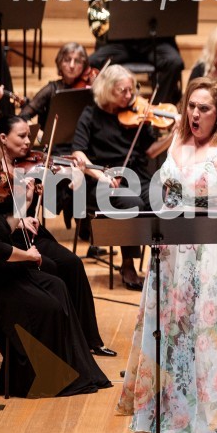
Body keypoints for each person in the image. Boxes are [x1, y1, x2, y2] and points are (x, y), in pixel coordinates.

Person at [117, 77, 217, 433]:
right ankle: (173, 400)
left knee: (211, 326)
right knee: (173, 324)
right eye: (191, 105)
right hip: (172, 245)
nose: (194, 113)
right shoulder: (176, 137)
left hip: (215, 247)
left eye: (204, 108)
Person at [0, 143, 112, 398]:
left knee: (57, 285)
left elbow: (3, 230)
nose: (2, 171)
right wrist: (27, 255)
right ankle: (39, 375)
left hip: (5, 269)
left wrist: (24, 203)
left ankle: (71, 367)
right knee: (49, 304)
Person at [71, 64, 172, 290]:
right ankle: (128, 264)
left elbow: (150, 151)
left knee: (165, 197)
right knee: (132, 203)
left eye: (131, 90)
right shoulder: (90, 115)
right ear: (107, 90)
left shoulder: (138, 115)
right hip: (104, 179)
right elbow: (78, 152)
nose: (130, 95)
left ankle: (162, 262)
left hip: (137, 175)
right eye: (122, 91)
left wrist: (171, 137)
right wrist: (101, 176)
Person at [89, 0, 185, 105]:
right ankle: (108, 107)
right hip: (126, 42)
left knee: (175, 62)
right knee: (94, 61)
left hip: (156, 43)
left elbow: (176, 20)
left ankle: (156, 110)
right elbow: (106, 9)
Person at [19, 43, 97, 132]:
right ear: (60, 63)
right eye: (67, 60)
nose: (72, 66)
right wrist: (38, 132)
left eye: (77, 61)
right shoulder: (51, 89)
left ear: (84, 65)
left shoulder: (88, 87)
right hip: (55, 144)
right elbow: (23, 115)